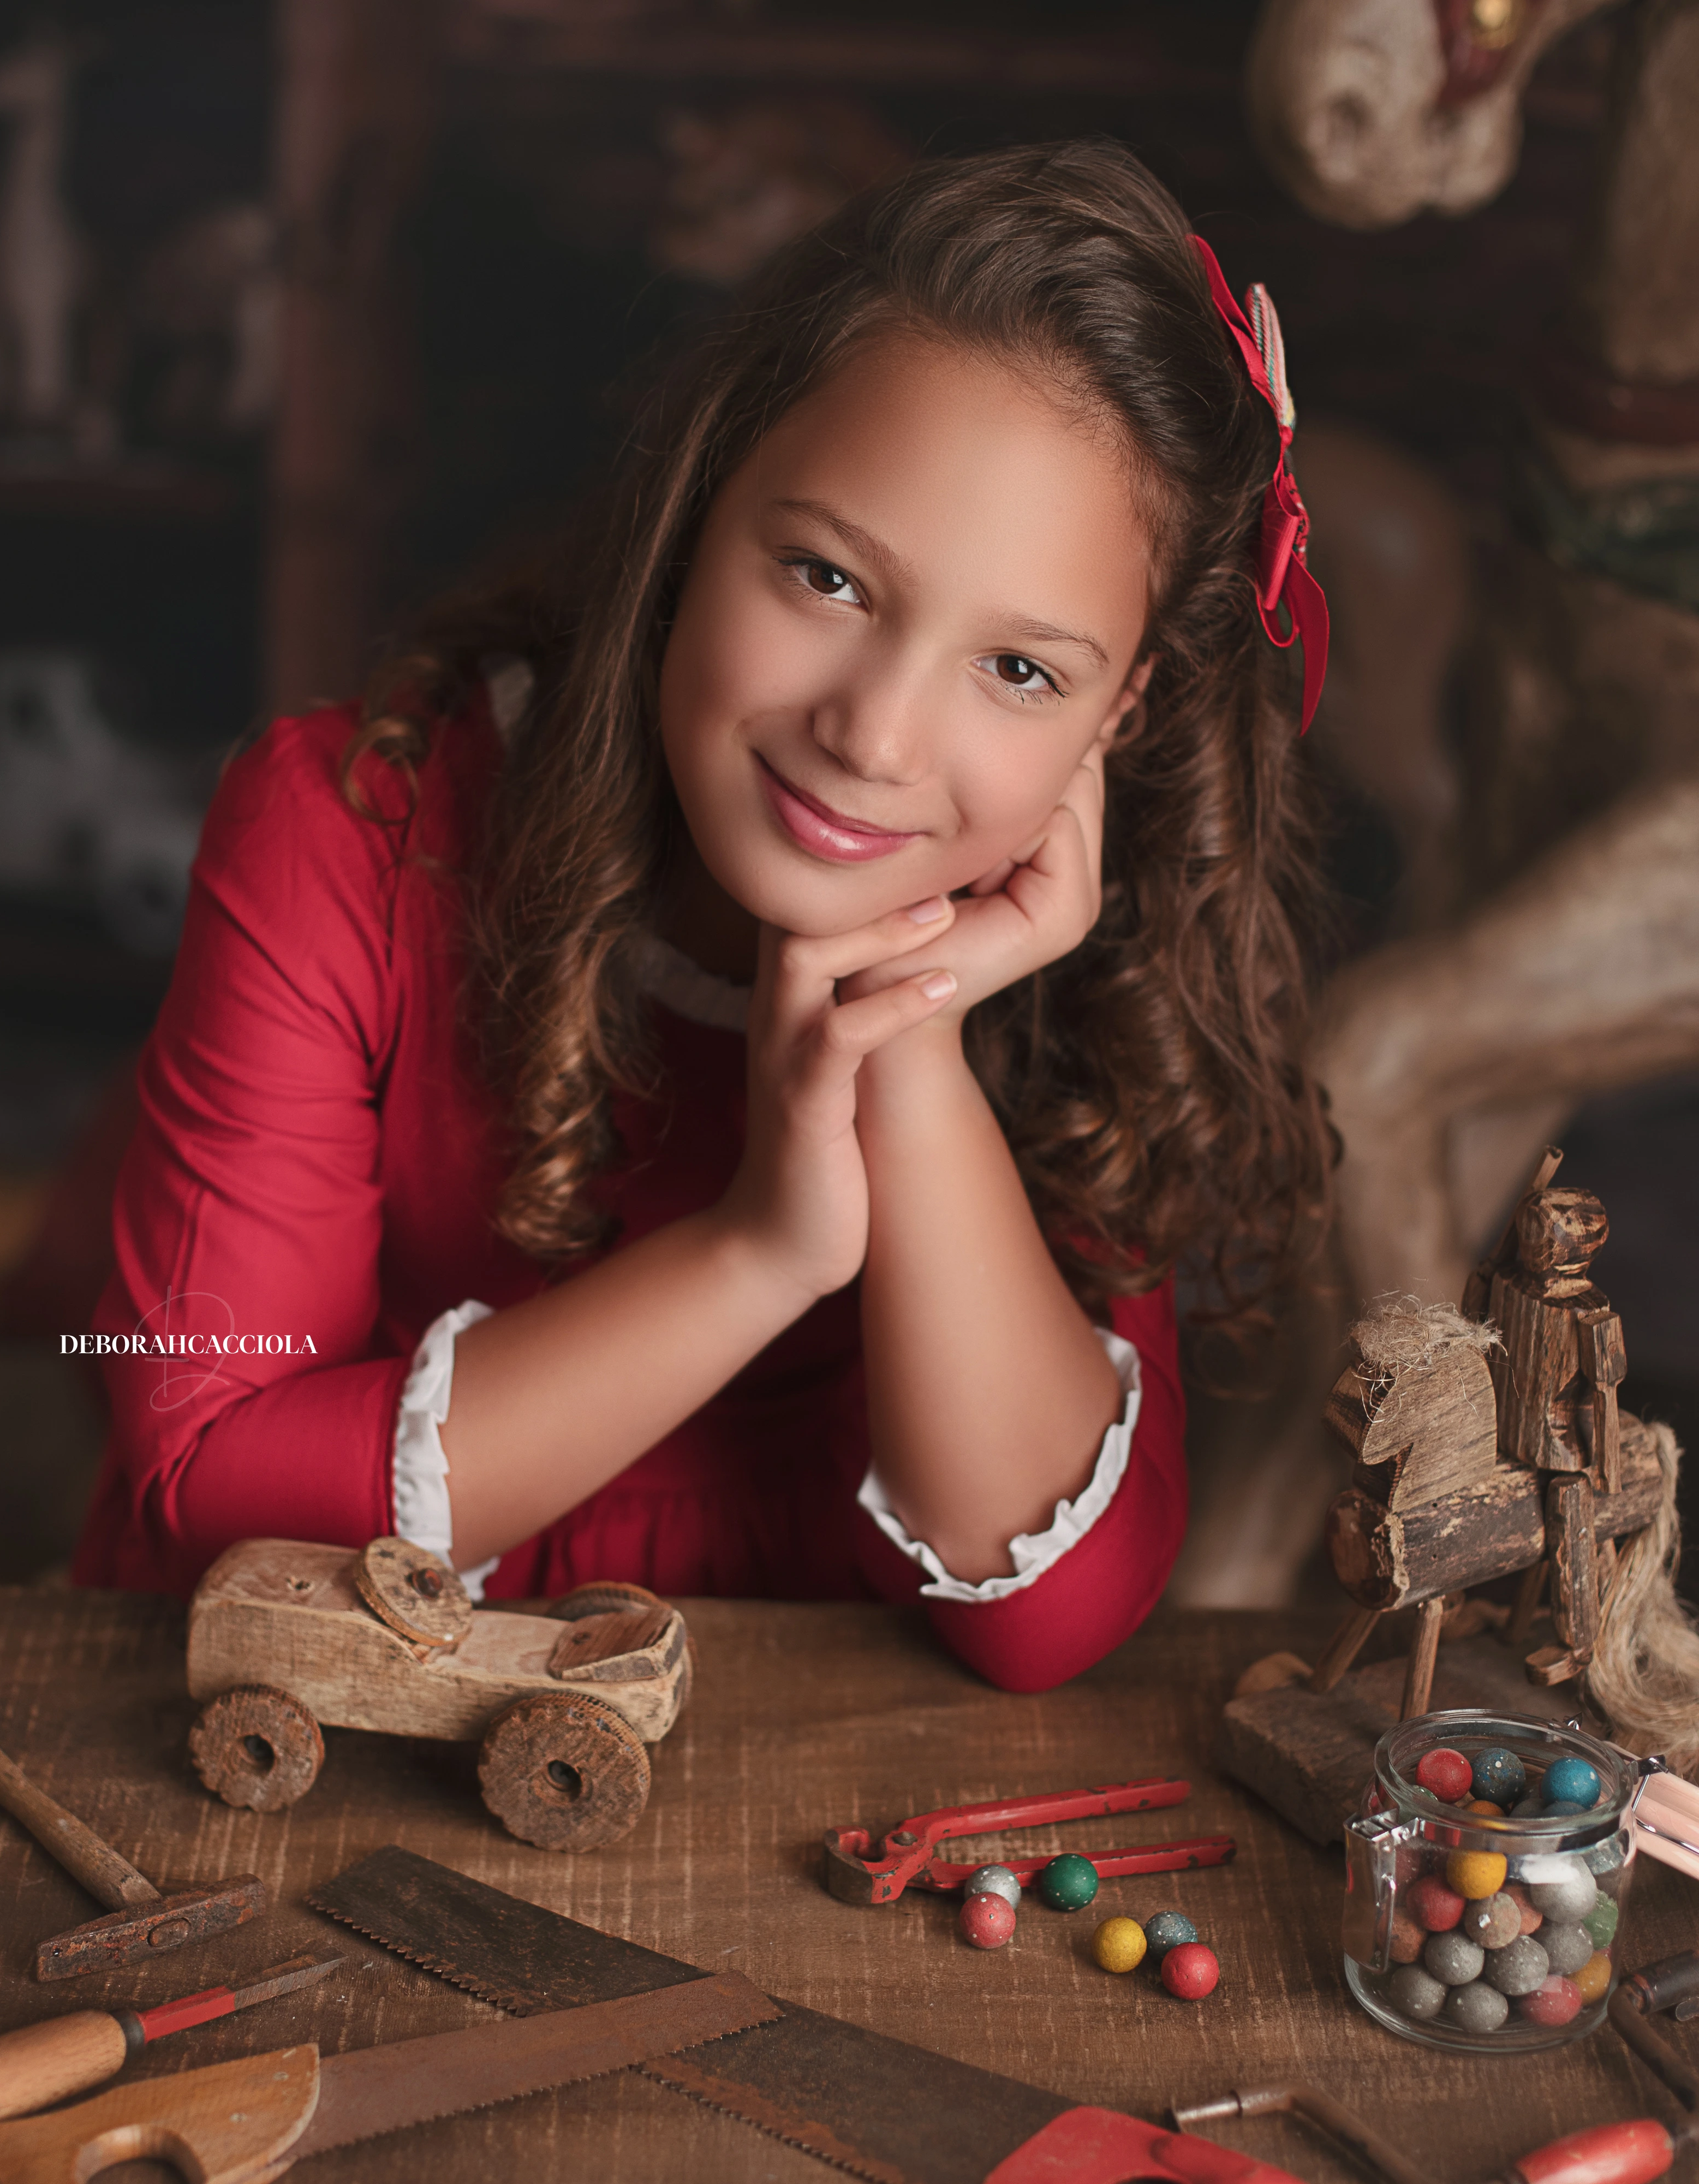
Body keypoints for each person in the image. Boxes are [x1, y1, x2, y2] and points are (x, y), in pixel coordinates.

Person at [73, 141, 1332, 1693]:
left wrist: (910, 1037)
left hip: (797, 1852)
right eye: (825, 577)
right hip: (310, 1741)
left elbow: (1049, 1621)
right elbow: (206, 1492)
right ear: (695, 508)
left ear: (1119, 718)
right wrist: (759, 1251)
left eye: (1021, 671)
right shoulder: (344, 830)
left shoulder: (1080, 981)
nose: (873, 739)